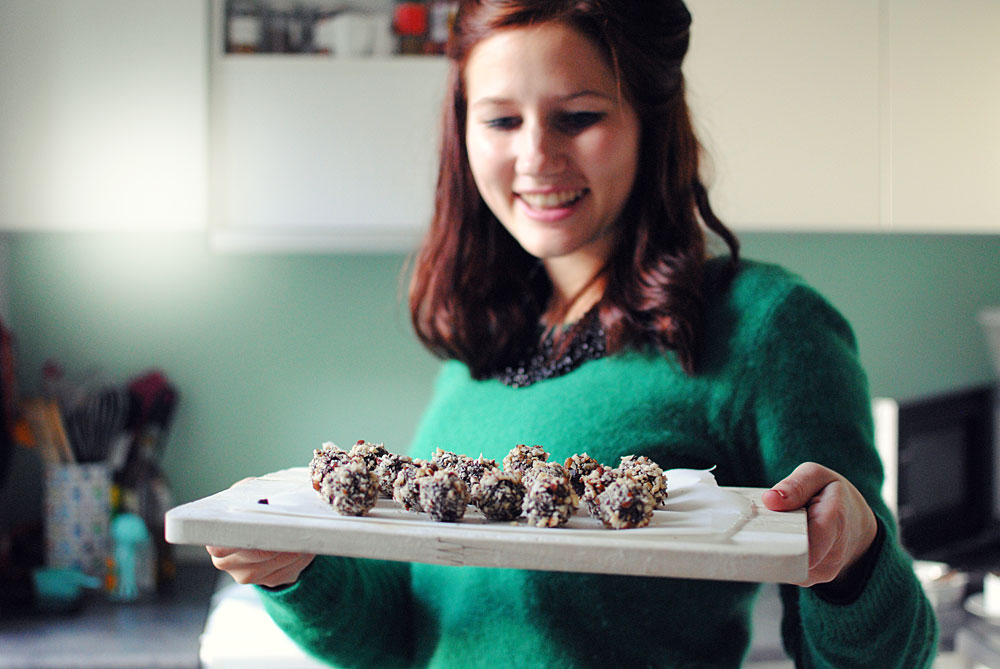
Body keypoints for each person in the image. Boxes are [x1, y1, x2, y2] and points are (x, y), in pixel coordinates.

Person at [207, 1, 939, 666]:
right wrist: (295, 570)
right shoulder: (484, 345)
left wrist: (857, 559)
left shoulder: (767, 329)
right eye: (501, 120)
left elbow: (890, 655)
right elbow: (407, 639)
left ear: (652, 120)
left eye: (578, 116)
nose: (535, 158)